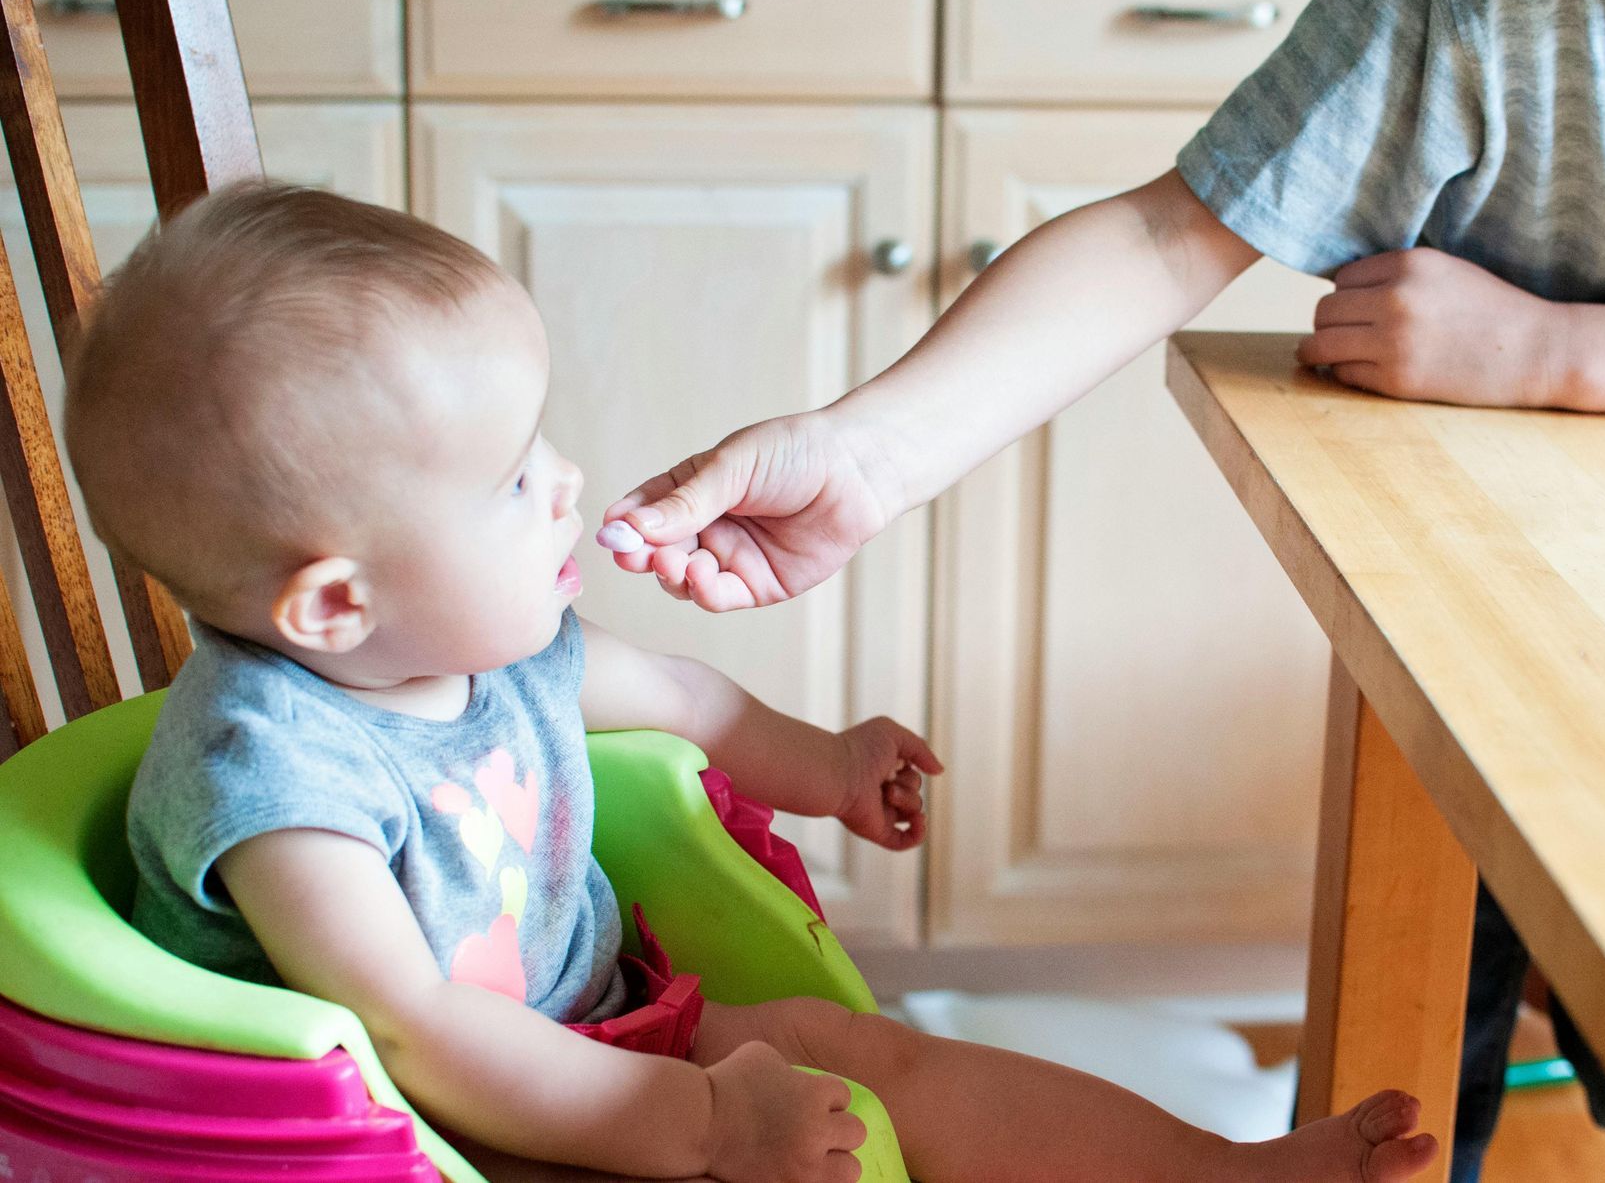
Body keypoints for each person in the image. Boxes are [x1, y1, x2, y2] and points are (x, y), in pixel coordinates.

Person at [597, 0, 1605, 1175]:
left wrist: (1553, 351)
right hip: (1496, 635)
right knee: (1420, 1044)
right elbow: (1172, 232)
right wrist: (870, 455)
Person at [72, 183, 1437, 1183]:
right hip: (408, 1134)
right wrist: (706, 1125)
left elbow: (687, 699)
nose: (565, 484)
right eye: (508, 483)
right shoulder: (283, 786)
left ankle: (1220, 1173)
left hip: (596, 1031)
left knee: (869, 1053)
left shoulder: (483, 647)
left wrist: (830, 766)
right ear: (334, 603)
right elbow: (413, 1035)